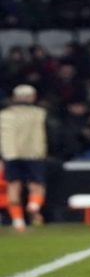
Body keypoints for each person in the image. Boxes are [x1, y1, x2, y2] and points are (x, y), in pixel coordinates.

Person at [0, 85, 50, 231]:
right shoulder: (41, 114)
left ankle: (18, 222)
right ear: (33, 97)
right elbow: (51, 133)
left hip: (10, 154)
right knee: (36, 186)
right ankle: (33, 206)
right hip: (34, 154)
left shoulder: (4, 115)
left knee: (13, 187)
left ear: (15, 98)